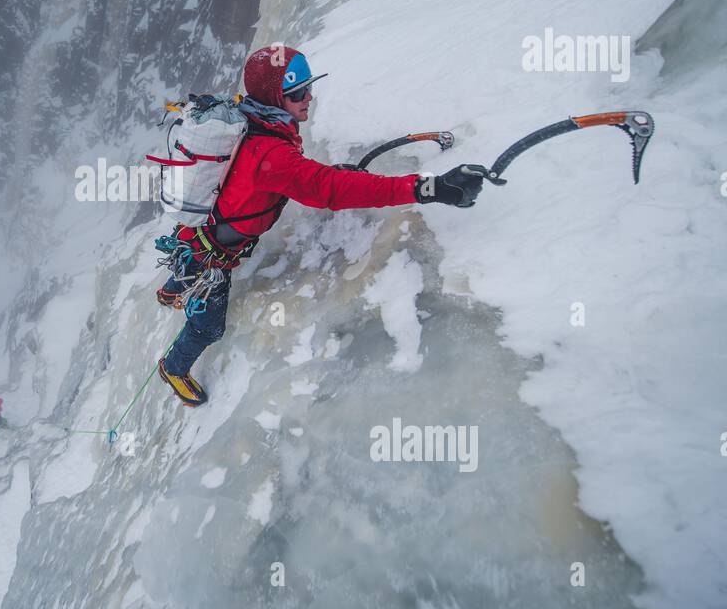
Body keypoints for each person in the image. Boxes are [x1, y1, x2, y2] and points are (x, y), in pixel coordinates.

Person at [156, 46, 484, 407]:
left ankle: (171, 290)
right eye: (297, 92)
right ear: (275, 96)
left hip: (200, 235)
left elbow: (294, 176)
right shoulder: (271, 152)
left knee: (191, 261)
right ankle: (173, 367)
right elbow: (321, 188)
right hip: (213, 253)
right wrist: (425, 188)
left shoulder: (256, 121)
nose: (308, 97)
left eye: (309, 87)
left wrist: (316, 176)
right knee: (208, 327)